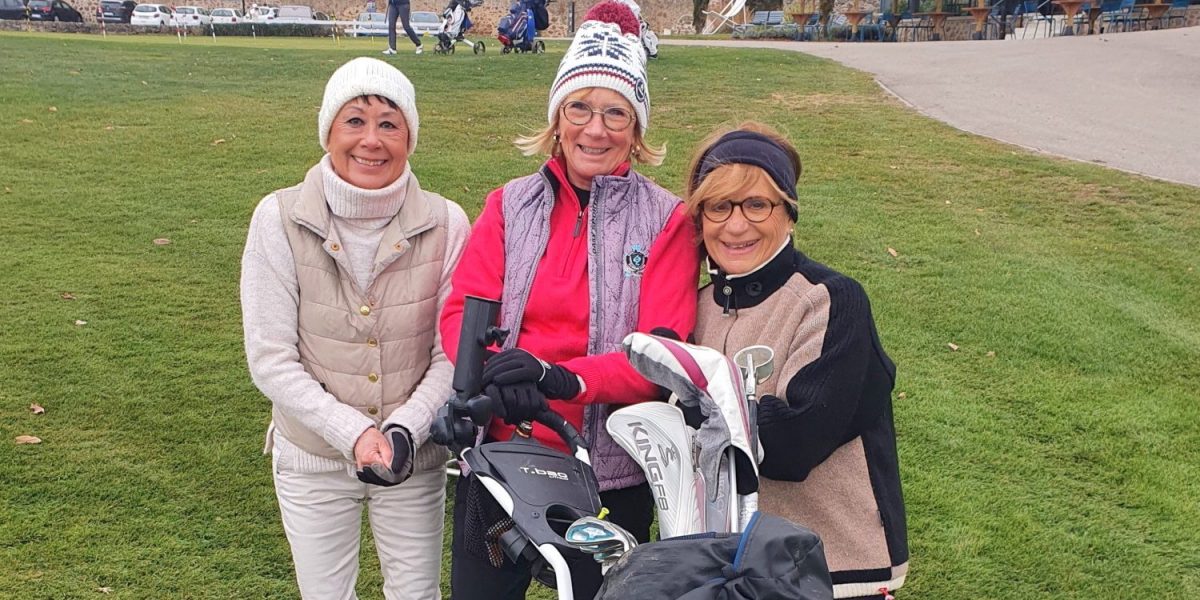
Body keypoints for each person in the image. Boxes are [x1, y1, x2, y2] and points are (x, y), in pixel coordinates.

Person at [438, 3, 699, 599]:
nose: (595, 128)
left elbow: (662, 353)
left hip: (607, 473)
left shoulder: (667, 221)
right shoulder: (509, 204)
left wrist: (559, 378)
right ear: (557, 117)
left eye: (616, 112)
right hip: (502, 459)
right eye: (579, 107)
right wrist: (492, 374)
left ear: (637, 128)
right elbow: (462, 312)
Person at [240, 57, 469, 599]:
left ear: (410, 137)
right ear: (328, 131)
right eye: (355, 121)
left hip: (412, 457)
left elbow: (452, 355)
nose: (372, 140)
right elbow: (271, 358)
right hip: (312, 456)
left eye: (389, 123)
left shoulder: (448, 223)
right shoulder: (277, 218)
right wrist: (354, 434)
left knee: (416, 594)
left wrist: (401, 433)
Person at [685, 122, 909, 600]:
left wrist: (692, 400)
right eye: (719, 206)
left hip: (834, 570)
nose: (736, 224)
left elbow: (792, 445)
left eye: (757, 204)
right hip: (724, 565)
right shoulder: (697, 303)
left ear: (789, 213)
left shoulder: (831, 300)